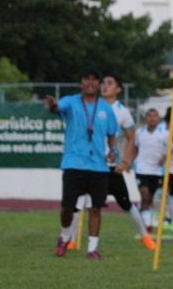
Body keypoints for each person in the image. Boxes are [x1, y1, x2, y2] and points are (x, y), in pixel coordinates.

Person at [67, 75, 157, 251]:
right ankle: (71, 240)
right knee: (78, 202)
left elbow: (131, 139)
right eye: (103, 83)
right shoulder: (91, 105)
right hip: (89, 165)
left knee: (126, 203)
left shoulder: (122, 111)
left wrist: (126, 161)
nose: (104, 86)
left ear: (118, 89)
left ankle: (145, 237)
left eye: (109, 83)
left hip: (110, 167)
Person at [45, 66, 119, 260]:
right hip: (73, 163)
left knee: (96, 208)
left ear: (98, 84)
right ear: (81, 83)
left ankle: (92, 249)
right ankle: (64, 236)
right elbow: (57, 108)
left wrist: (113, 151)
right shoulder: (70, 102)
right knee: (67, 207)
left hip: (98, 166)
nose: (90, 82)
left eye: (94, 79)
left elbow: (112, 135)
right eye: (86, 79)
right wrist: (53, 105)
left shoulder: (106, 109)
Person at [134, 108, 168, 232]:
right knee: (145, 195)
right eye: (150, 116)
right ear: (146, 118)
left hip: (157, 171)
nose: (152, 118)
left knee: (150, 199)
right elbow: (134, 148)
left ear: (158, 118)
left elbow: (170, 150)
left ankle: (145, 218)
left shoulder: (165, 133)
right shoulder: (139, 132)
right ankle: (147, 225)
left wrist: (164, 158)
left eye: (155, 116)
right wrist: (127, 163)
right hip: (141, 169)